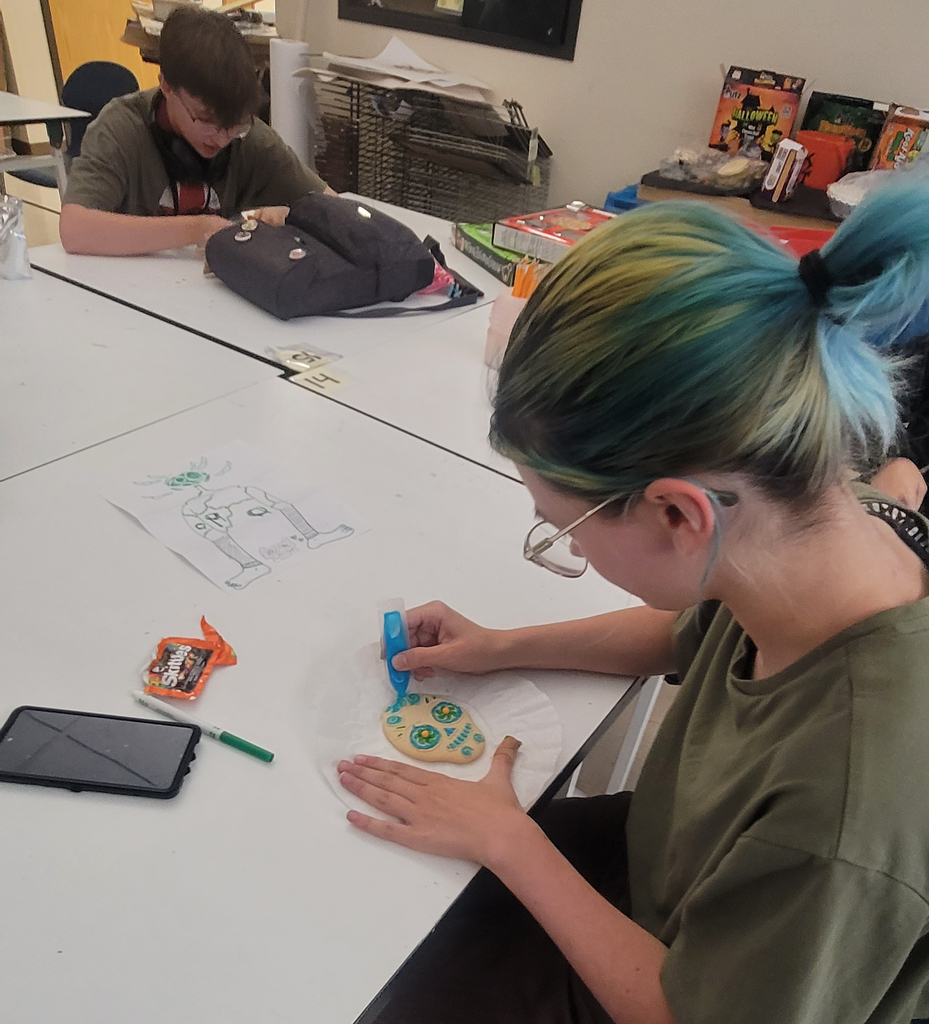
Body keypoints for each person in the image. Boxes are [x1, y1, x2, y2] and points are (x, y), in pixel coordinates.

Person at [337, 177, 929, 1024]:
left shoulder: (844, 810)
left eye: (562, 528)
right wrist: (498, 646)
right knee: (397, 899)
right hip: (677, 866)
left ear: (678, 514)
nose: (568, 546)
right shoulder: (820, 528)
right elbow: (687, 632)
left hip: (694, 986)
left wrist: (512, 843)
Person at [59, 6, 333, 256]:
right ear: (166, 86)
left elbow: (333, 207)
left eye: (235, 123)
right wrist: (198, 228)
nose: (224, 137)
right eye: (206, 120)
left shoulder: (248, 138)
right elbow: (75, 230)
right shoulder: (121, 129)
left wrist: (288, 216)